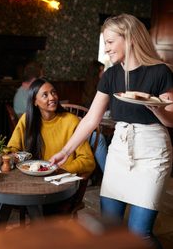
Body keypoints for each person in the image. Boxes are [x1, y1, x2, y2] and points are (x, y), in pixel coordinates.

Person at [50, 14, 173, 248]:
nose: (106, 49)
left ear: (129, 38)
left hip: (152, 153)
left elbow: (171, 120)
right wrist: (66, 151)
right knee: (110, 229)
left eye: (109, 42)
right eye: (104, 43)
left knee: (140, 235)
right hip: (119, 150)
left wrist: (154, 106)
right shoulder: (111, 75)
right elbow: (90, 119)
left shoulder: (160, 72)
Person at [8, 78, 95, 175]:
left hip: (61, 178)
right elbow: (12, 149)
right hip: (31, 177)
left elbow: (88, 161)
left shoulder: (71, 121)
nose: (52, 97)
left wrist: (61, 169)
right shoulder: (26, 119)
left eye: (53, 92)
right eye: (45, 95)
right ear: (34, 102)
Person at [82, 60, 108, 172]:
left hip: (96, 124)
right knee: (101, 138)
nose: (103, 73)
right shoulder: (94, 90)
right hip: (91, 125)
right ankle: (106, 173)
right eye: (101, 70)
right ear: (95, 72)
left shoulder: (95, 86)